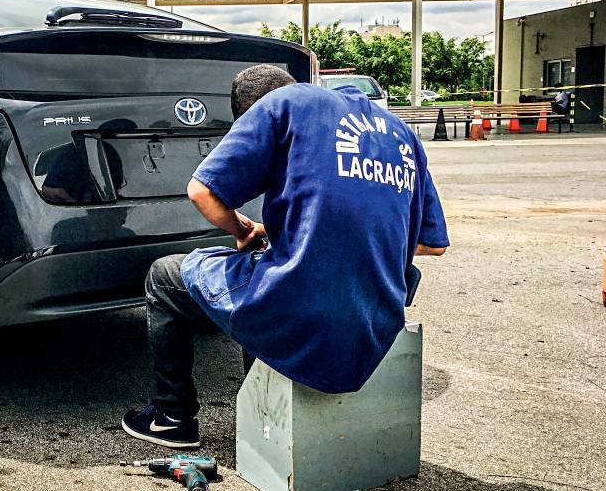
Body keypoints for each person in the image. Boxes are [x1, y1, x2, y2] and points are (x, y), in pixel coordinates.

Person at [120, 64, 449, 449]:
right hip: (374, 320)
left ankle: (171, 417)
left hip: (301, 309)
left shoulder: (279, 105)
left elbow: (202, 191)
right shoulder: (401, 132)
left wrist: (244, 231)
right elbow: (432, 244)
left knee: (166, 277)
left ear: (250, 113)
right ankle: (261, 420)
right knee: (264, 262)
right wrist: (312, 236)